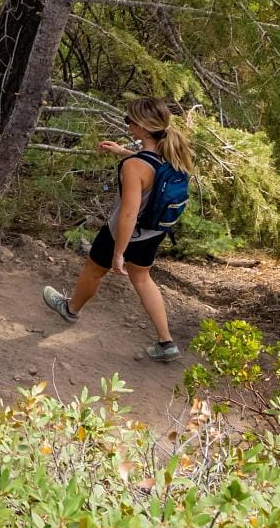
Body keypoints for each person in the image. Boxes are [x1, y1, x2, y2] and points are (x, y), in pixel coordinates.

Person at [42, 96, 195, 361]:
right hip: (154, 232)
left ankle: (70, 309)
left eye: (129, 120)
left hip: (123, 233)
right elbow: (151, 170)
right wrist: (122, 152)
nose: (127, 124)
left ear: (143, 128)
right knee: (143, 278)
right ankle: (166, 342)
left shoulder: (134, 167)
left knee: (93, 269)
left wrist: (118, 253)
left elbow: (128, 213)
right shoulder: (172, 154)